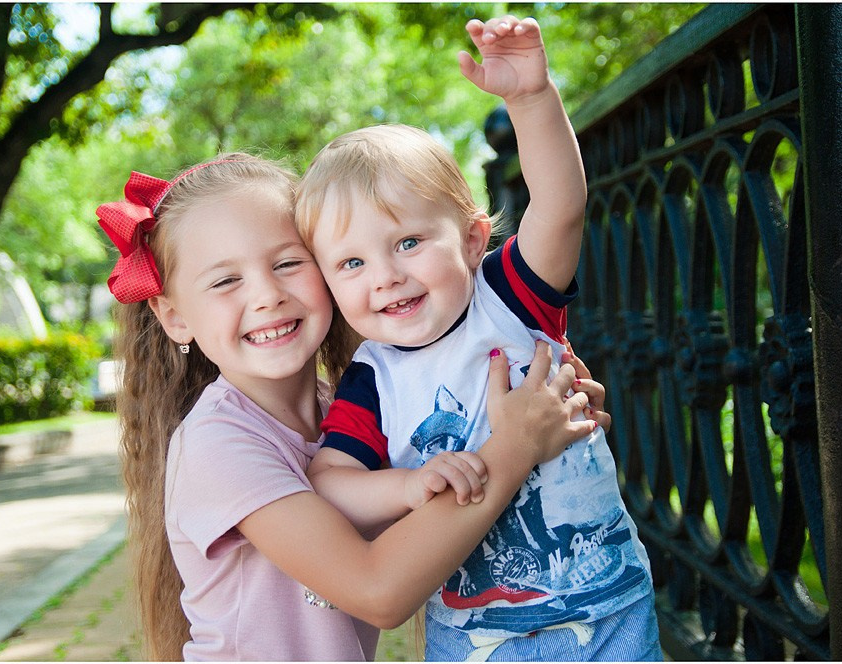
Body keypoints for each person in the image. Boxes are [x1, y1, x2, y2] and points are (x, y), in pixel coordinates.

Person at [98, 153, 607, 661]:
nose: (268, 295)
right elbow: (379, 591)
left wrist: (553, 409)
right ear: (173, 316)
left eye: (287, 263)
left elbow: (454, 479)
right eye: (226, 281)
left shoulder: (353, 412)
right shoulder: (217, 443)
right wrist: (518, 443)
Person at [295, 15, 661, 661]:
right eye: (351, 263)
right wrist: (407, 487)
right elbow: (331, 480)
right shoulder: (372, 375)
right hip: (475, 637)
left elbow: (560, 207)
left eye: (408, 242)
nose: (385, 277)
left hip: (608, 608)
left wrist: (530, 98)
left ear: (469, 239)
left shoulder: (509, 297)